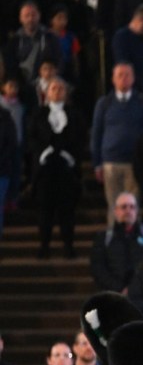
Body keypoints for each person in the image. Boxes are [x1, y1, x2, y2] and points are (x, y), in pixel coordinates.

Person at [29, 75, 85, 259]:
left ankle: (68, 246)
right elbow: (32, 138)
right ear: (46, 93)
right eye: (53, 88)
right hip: (45, 169)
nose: (57, 91)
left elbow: (79, 138)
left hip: (66, 169)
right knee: (45, 209)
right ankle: (44, 245)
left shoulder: (75, 114)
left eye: (61, 88)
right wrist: (45, 152)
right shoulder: (38, 114)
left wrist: (66, 153)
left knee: (67, 210)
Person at [90, 192, 143, 292]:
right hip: (113, 293)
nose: (128, 210)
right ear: (116, 211)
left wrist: (134, 288)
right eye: (124, 207)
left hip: (142, 293)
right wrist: (120, 288)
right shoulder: (103, 238)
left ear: (136, 211)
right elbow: (98, 268)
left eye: (132, 207)